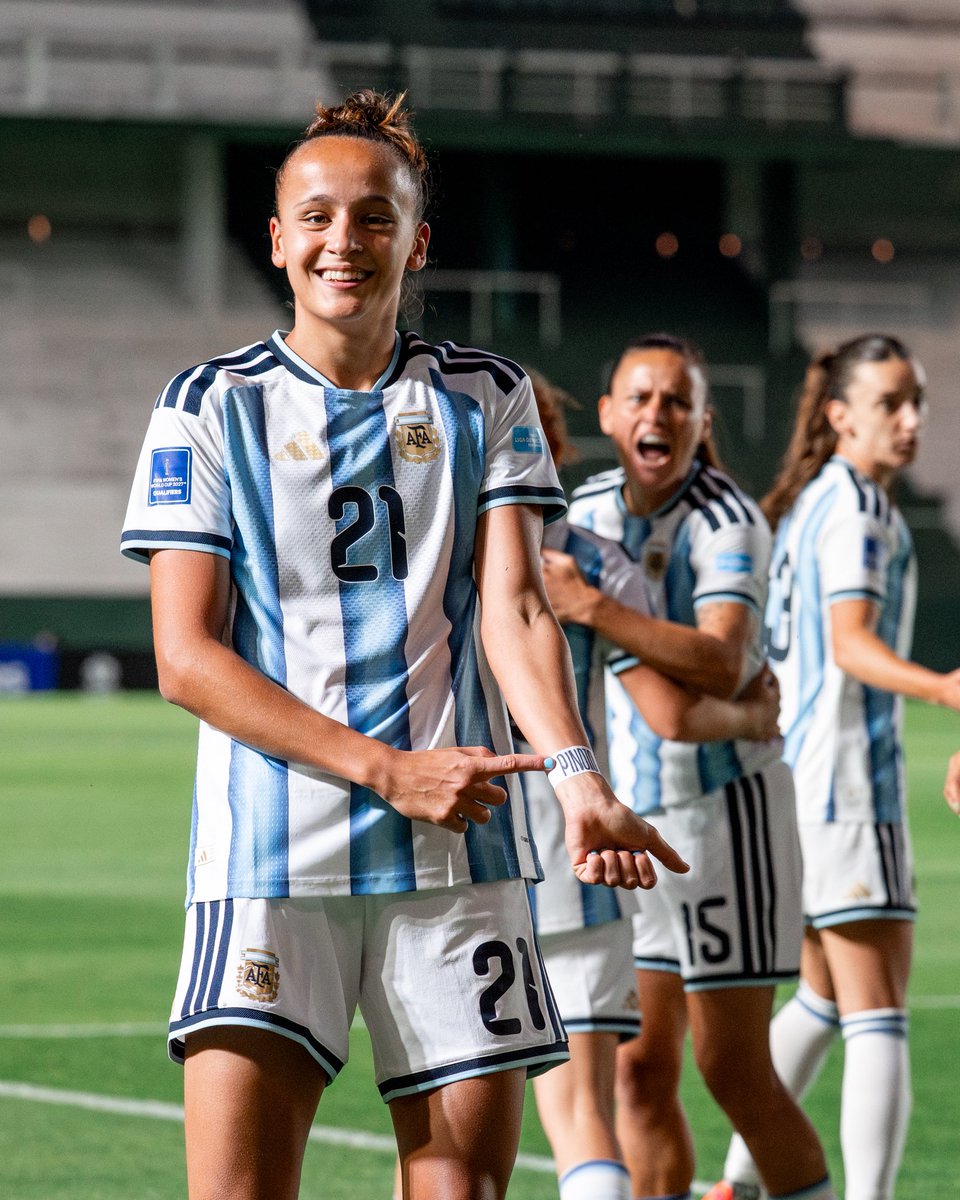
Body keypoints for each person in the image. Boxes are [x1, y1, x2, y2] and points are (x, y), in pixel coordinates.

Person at [120, 90, 687, 1200]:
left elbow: (515, 610)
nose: (346, 240)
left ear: (416, 241)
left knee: (462, 1188)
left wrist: (579, 782)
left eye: (375, 217)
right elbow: (186, 657)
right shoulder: (205, 407)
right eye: (319, 216)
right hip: (270, 863)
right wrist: (387, 770)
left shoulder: (488, 396)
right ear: (278, 238)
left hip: (458, 862)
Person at [540, 333, 835, 1200]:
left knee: (734, 1071)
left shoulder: (728, 520)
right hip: (631, 822)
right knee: (637, 1071)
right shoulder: (582, 512)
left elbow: (723, 656)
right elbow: (672, 701)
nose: (655, 414)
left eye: (675, 400)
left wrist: (594, 607)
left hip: (725, 822)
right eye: (638, 398)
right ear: (608, 416)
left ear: (703, 419)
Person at [710, 334, 960, 1200]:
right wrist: (945, 689)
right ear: (840, 415)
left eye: (916, 401)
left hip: (798, 787)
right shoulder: (856, 510)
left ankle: (737, 1184)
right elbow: (851, 644)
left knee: (821, 999)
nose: (911, 419)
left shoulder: (816, 500)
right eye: (891, 402)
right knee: (877, 1007)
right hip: (847, 788)